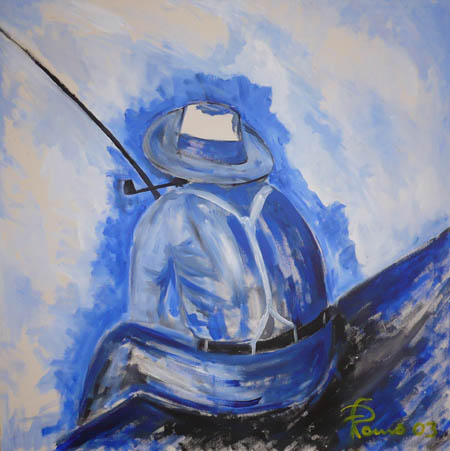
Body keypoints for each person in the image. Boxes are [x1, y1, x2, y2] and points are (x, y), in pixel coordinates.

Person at [59, 102, 339, 449]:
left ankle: (85, 438)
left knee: (121, 346)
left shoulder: (169, 211)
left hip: (247, 386)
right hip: (315, 362)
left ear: (180, 157)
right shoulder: (279, 201)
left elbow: (147, 318)